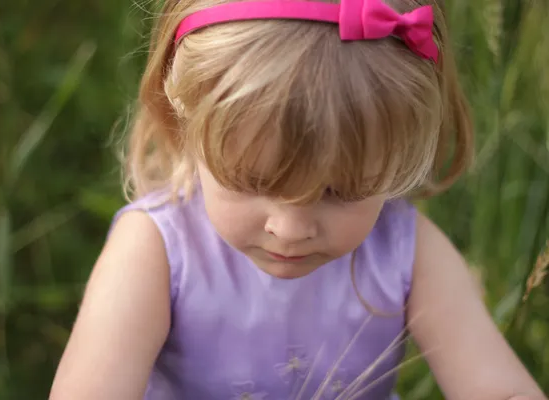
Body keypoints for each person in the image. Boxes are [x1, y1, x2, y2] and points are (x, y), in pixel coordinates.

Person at [50, 0, 547, 398]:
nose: (289, 228)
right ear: (186, 119)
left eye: (341, 191)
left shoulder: (405, 254)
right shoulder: (160, 250)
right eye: (249, 181)